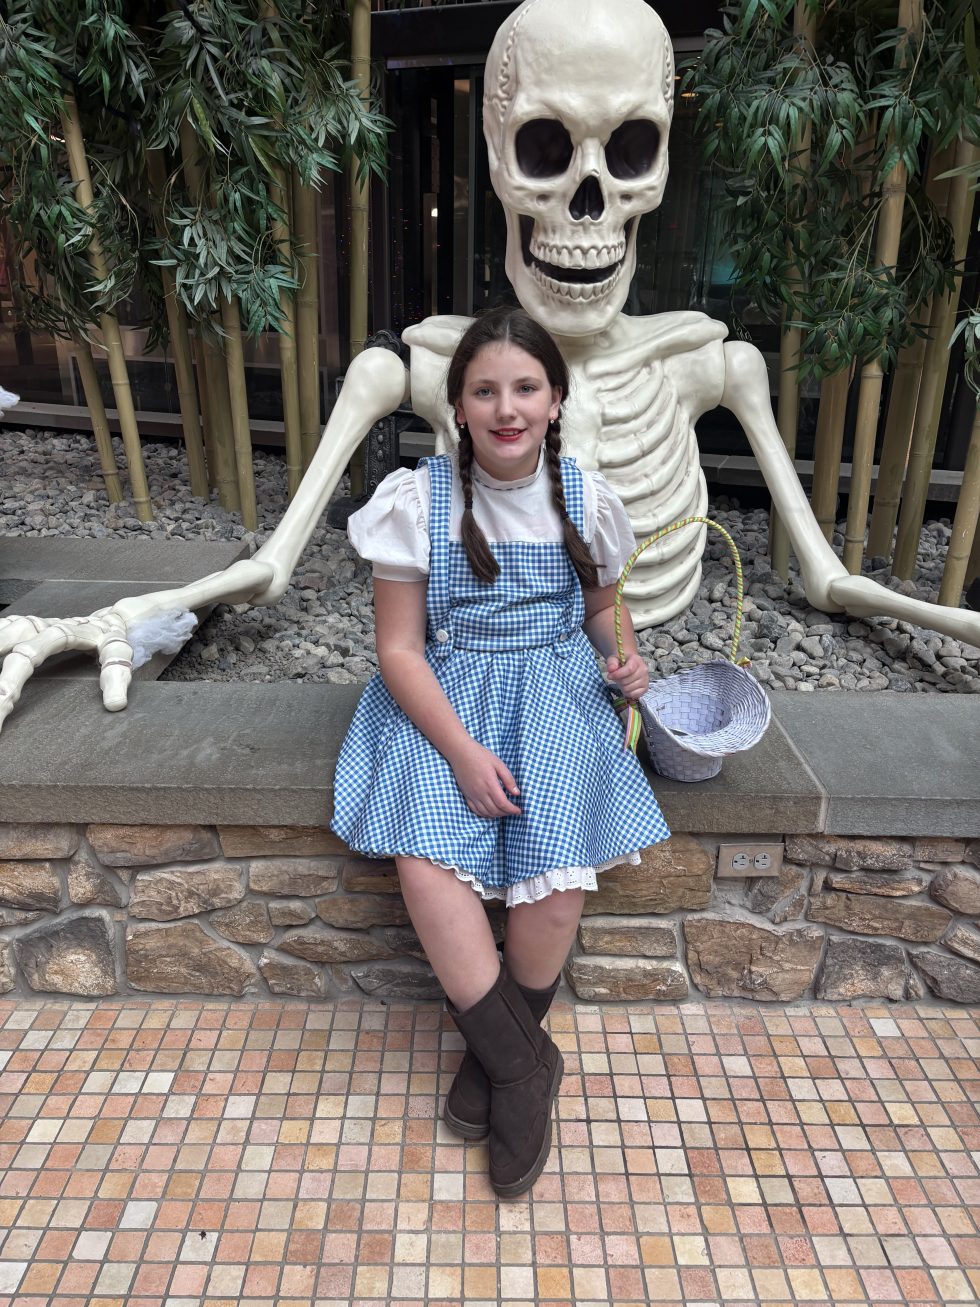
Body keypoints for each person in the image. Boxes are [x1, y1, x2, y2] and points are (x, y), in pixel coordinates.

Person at [330, 306, 669, 1198]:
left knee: (556, 872)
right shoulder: (419, 503)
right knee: (425, 857)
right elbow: (399, 649)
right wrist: (462, 754)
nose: (506, 408)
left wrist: (625, 659)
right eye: (485, 390)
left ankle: (497, 1053)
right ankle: (522, 1066)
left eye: (525, 388)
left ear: (555, 400)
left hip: (555, 690)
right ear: (459, 405)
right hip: (446, 696)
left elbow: (605, 608)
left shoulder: (586, 499)